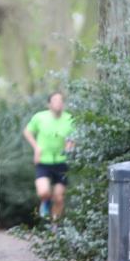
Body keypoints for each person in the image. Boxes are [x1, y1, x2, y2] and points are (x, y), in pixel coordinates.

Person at [23, 92, 76, 222]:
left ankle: (54, 227)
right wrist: (36, 148)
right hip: (43, 161)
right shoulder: (40, 117)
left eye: (60, 100)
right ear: (49, 104)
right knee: (43, 192)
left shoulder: (69, 119)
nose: (58, 103)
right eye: (55, 100)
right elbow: (27, 131)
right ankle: (46, 201)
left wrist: (70, 147)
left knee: (59, 197)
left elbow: (73, 137)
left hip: (61, 162)